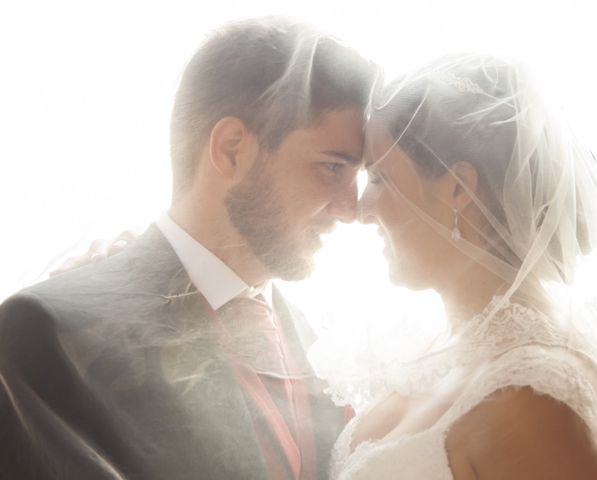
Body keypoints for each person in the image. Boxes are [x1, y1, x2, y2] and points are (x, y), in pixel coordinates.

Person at [0, 17, 376, 480]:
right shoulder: (49, 331)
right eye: (333, 168)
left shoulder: (320, 346)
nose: (352, 208)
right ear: (233, 149)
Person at [327, 54, 597, 479]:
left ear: (458, 188)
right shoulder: (425, 352)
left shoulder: (534, 394)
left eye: (381, 178)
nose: (360, 209)